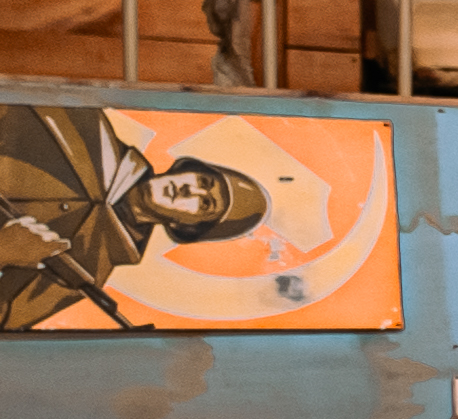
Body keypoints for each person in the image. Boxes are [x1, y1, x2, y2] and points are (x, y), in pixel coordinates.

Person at [0, 125, 280, 336]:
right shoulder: (89, 132)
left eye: (204, 203)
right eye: (203, 180)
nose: (189, 189)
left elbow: (6, 319)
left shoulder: (87, 268)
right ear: (187, 169)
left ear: (187, 226)